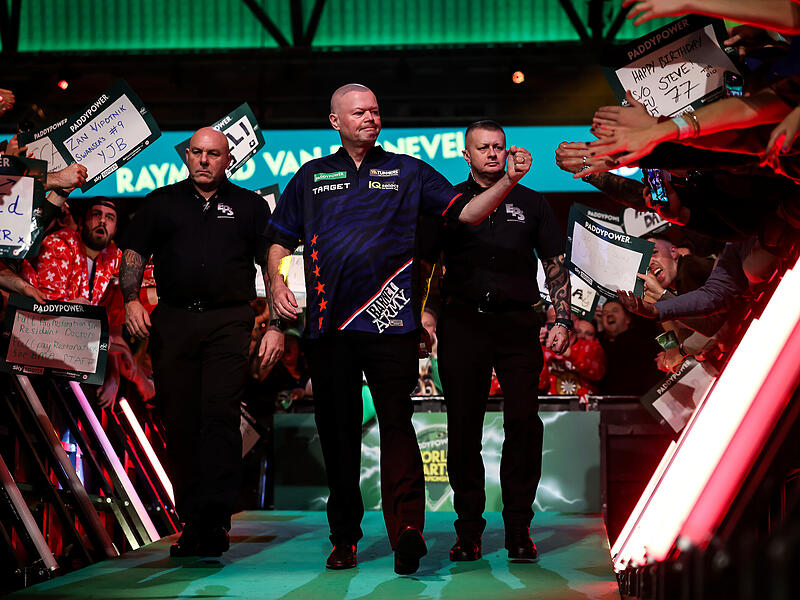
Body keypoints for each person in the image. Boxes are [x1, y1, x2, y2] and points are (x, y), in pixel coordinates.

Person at [267, 84, 533, 574]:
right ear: (335, 122)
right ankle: (344, 537)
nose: (370, 118)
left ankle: (407, 530)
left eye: (374, 110)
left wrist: (509, 181)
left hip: (391, 321)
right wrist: (276, 285)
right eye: (358, 112)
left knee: (397, 426)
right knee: (339, 433)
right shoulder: (309, 176)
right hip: (327, 328)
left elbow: (470, 213)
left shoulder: (409, 170)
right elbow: (280, 241)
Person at [119, 127, 282, 558]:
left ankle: (215, 520)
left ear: (228, 158)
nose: (205, 160)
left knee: (219, 416)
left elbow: (271, 262)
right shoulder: (160, 201)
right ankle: (191, 521)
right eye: (197, 153)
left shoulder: (249, 205)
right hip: (173, 321)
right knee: (181, 420)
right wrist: (132, 300)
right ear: (186, 156)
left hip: (229, 320)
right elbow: (133, 252)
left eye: (214, 154)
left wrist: (278, 325)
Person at [429, 120, 571, 562]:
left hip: (516, 324)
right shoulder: (448, 200)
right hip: (462, 323)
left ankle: (518, 527)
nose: (493, 154)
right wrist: (425, 314)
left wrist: (563, 316)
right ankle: (468, 529)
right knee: (463, 428)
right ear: (465, 155)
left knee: (524, 425)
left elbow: (554, 262)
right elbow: (427, 262)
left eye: (499, 147)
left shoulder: (532, 201)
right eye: (483, 148)